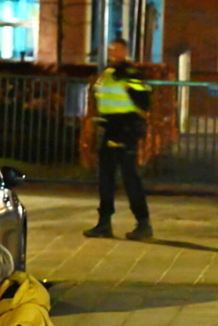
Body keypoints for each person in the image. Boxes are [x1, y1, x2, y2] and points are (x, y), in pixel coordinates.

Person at [83, 38, 154, 241]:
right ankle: (104, 222)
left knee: (129, 176)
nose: (114, 52)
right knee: (106, 176)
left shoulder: (129, 73)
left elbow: (144, 101)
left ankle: (143, 223)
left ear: (126, 51)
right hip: (110, 127)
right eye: (112, 49)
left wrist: (130, 121)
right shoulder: (110, 72)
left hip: (125, 128)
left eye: (118, 49)